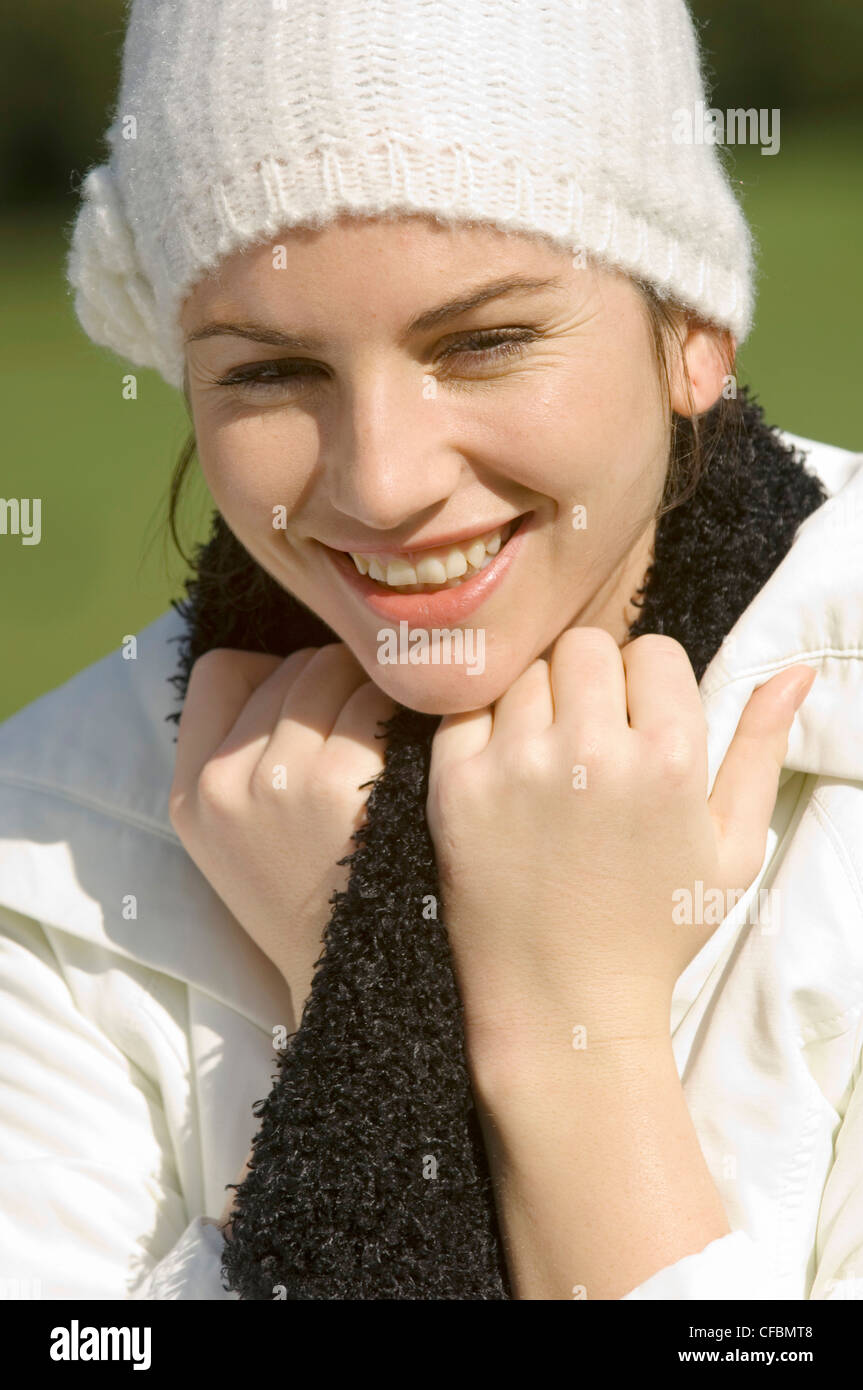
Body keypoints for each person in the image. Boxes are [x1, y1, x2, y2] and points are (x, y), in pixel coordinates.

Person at [1, 0, 861, 1301]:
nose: (385, 481)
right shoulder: (46, 848)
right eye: (271, 369)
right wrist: (377, 1003)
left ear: (694, 326)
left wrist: (562, 1037)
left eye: (484, 342)